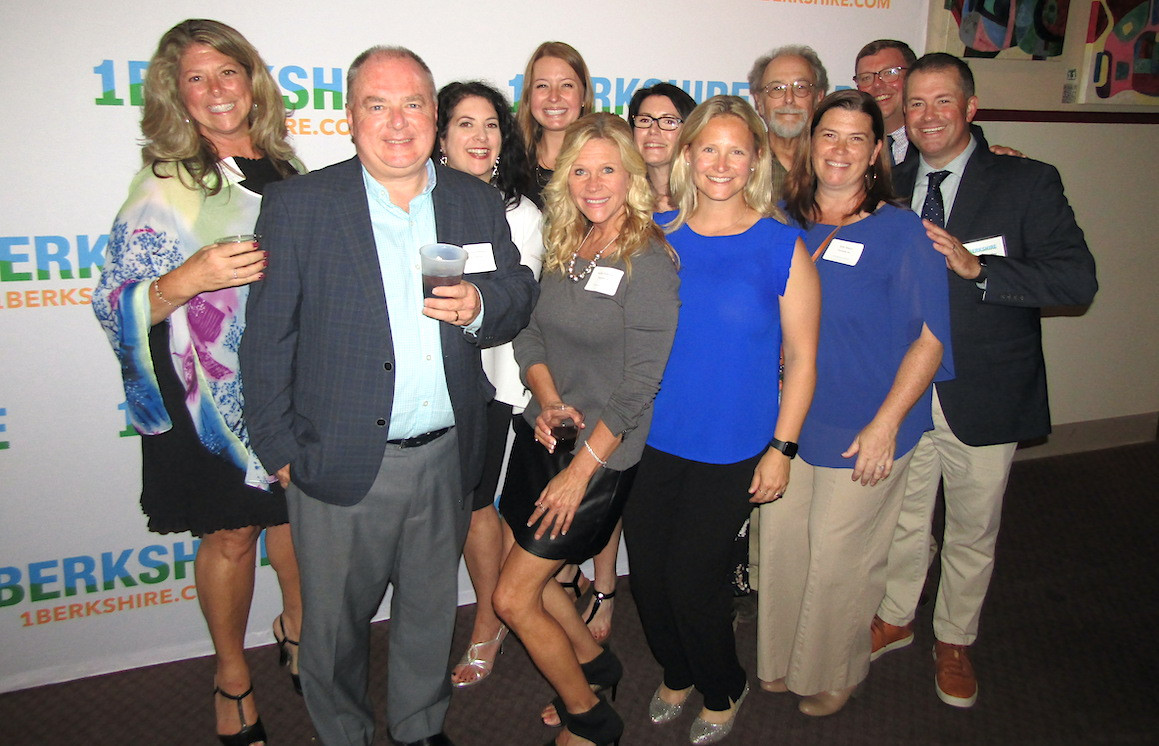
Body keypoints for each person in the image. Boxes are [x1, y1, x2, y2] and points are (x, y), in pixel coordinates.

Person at [239, 46, 538, 746]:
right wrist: (280, 447)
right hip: (338, 458)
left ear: (434, 117)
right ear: (350, 119)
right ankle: (343, 733)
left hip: (445, 453)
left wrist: (480, 305)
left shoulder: (470, 197)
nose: (396, 122)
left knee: (431, 613)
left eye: (412, 105)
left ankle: (419, 725)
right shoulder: (300, 205)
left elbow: (518, 288)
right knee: (336, 628)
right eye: (377, 105)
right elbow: (266, 341)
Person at [91, 18, 304, 746]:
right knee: (235, 534)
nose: (217, 91)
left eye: (229, 73)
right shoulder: (168, 181)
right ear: (176, 96)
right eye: (197, 78)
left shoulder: (285, 168)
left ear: (253, 80)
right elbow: (116, 299)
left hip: (287, 383)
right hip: (206, 398)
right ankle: (231, 677)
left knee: (299, 522)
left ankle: (299, 632)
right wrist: (190, 277)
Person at [870, 53, 1097, 709]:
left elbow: (1074, 281)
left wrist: (979, 271)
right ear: (902, 116)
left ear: (970, 108)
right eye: (915, 103)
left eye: (943, 101)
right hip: (902, 393)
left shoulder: (1025, 181)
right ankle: (896, 614)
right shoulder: (885, 181)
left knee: (972, 526)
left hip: (984, 387)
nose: (928, 115)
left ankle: (954, 638)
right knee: (904, 520)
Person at [624, 95, 820, 744]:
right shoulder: (654, 232)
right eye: (708, 147)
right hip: (651, 438)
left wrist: (782, 449)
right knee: (648, 580)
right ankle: (676, 670)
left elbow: (802, 358)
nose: (721, 162)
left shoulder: (781, 245)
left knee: (693, 582)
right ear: (685, 154)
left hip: (732, 444)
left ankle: (721, 683)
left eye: (737, 149)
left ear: (756, 160)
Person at [755, 89, 953, 718]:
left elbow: (931, 337)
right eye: (828, 135)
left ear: (876, 153)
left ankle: (838, 668)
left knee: (843, 556)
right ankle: (782, 659)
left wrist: (885, 425)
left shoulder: (902, 231)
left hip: (866, 420)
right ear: (810, 145)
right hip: (791, 419)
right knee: (785, 547)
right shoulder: (782, 220)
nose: (839, 149)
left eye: (855, 138)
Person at [492, 112, 680, 746]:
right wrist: (546, 402)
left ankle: (591, 718)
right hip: (550, 435)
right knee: (533, 585)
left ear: (632, 176)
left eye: (608, 169)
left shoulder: (648, 260)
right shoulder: (568, 245)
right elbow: (531, 331)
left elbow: (638, 389)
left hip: (601, 457)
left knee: (513, 598)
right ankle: (597, 668)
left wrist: (579, 474)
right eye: (580, 169)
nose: (594, 182)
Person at [433, 80, 545, 688]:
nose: (480, 137)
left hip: (492, 385)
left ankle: (490, 620)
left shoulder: (520, 214)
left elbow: (517, 308)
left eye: (491, 125)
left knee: (478, 506)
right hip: (423, 387)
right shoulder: (416, 203)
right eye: (465, 124)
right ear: (441, 137)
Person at [853, 39, 1025, 167]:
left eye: (890, 73)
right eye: (866, 78)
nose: (877, 84)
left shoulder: (956, 145)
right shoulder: (850, 145)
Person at [516, 41, 595, 201]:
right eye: (542, 86)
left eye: (566, 85)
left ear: (584, 96)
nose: (553, 97)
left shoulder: (600, 165)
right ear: (528, 96)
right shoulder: (509, 164)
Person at [747, 45, 828, 198]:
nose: (789, 99)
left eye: (801, 87)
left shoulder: (836, 161)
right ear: (759, 102)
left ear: (818, 98)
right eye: (777, 88)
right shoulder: (741, 161)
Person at [628, 82, 697, 212]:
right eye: (645, 120)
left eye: (669, 121)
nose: (653, 130)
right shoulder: (623, 199)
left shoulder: (705, 199)